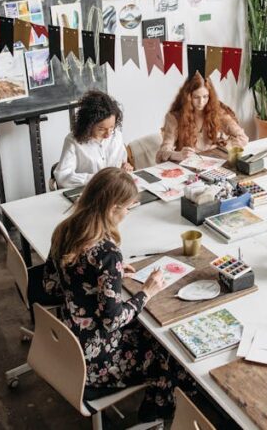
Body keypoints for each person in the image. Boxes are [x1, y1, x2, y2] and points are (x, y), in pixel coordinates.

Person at [42, 168, 195, 421]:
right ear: (113, 207)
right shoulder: (107, 253)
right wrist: (146, 292)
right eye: (127, 208)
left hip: (72, 343)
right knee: (169, 353)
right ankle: (155, 414)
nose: (127, 213)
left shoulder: (65, 229)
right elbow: (112, 321)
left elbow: (50, 287)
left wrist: (100, 283)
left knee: (149, 335)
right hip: (94, 363)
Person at [157, 72, 248, 163]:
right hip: (185, 167)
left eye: (205, 97)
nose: (201, 102)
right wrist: (178, 155)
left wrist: (223, 147)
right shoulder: (174, 118)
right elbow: (161, 154)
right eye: (196, 97)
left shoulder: (217, 112)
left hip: (211, 165)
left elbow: (243, 138)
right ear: (188, 97)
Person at [54, 90, 132, 188]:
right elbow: (63, 177)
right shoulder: (73, 141)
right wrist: (97, 178)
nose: (108, 134)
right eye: (101, 129)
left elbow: (122, 163)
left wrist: (125, 167)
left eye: (112, 127)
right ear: (89, 125)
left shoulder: (117, 136)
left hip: (114, 190)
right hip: (88, 192)